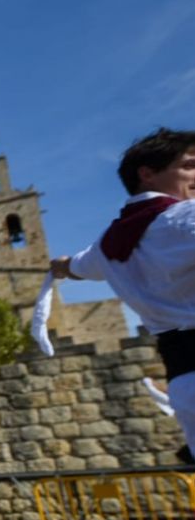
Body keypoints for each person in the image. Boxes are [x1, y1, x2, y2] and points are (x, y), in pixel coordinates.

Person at [51, 128, 195, 453]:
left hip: (184, 383)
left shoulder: (109, 244)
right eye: (189, 166)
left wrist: (59, 266)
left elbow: (75, 266)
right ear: (147, 174)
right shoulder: (183, 220)